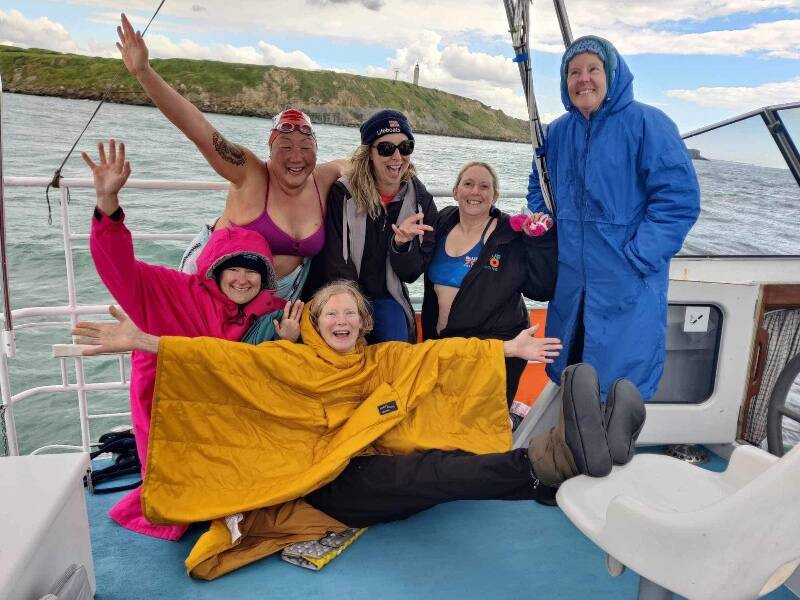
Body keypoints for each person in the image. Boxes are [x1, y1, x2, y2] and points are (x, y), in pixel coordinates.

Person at [72, 281, 646, 578]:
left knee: (430, 469)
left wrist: (507, 347)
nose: (342, 321)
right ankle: (559, 461)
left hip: (374, 476)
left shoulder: (380, 360)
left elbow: (439, 357)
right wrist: (144, 342)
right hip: (322, 483)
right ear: (317, 324)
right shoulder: (289, 360)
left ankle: (583, 449)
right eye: (331, 315)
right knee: (431, 474)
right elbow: (221, 362)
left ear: (363, 323)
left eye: (351, 313)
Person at [82, 139, 299, 541]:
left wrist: (292, 339)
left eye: (253, 271)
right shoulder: (172, 290)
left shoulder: (271, 309)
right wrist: (107, 204)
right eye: (232, 269)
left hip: (227, 416)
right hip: (173, 413)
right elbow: (119, 267)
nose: (242, 278)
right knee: (181, 503)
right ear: (213, 269)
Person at [115, 14, 346, 298]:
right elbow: (198, 128)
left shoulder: (324, 177)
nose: (296, 156)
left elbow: (365, 162)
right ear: (270, 150)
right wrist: (145, 73)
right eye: (285, 147)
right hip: (214, 282)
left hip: (277, 297)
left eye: (305, 146)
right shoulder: (249, 173)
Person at [527, 35, 701, 399]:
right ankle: (570, 449)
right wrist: (543, 227)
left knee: (619, 384)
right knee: (570, 369)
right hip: (572, 281)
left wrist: (637, 257)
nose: (583, 79)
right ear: (564, 82)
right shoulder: (557, 132)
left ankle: (609, 451)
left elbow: (677, 201)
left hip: (627, 281)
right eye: (573, 72)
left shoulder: (648, 124)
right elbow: (538, 186)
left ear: (613, 74)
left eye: (593, 69)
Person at [422, 162, 557, 412]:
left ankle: (509, 417)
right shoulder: (442, 222)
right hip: (446, 347)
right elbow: (409, 269)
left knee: (482, 431)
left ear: (494, 196)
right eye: (468, 184)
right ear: (455, 191)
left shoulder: (510, 235)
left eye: (485, 186)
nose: (476, 192)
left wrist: (539, 241)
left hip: (498, 350)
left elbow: (541, 289)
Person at [312, 109, 437, 342]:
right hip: (343, 291)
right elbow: (336, 263)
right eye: (386, 148)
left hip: (386, 295)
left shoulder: (421, 201)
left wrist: (401, 245)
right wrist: (354, 312)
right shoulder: (344, 194)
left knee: (396, 345)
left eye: (405, 147)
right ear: (369, 153)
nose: (397, 157)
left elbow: (411, 274)